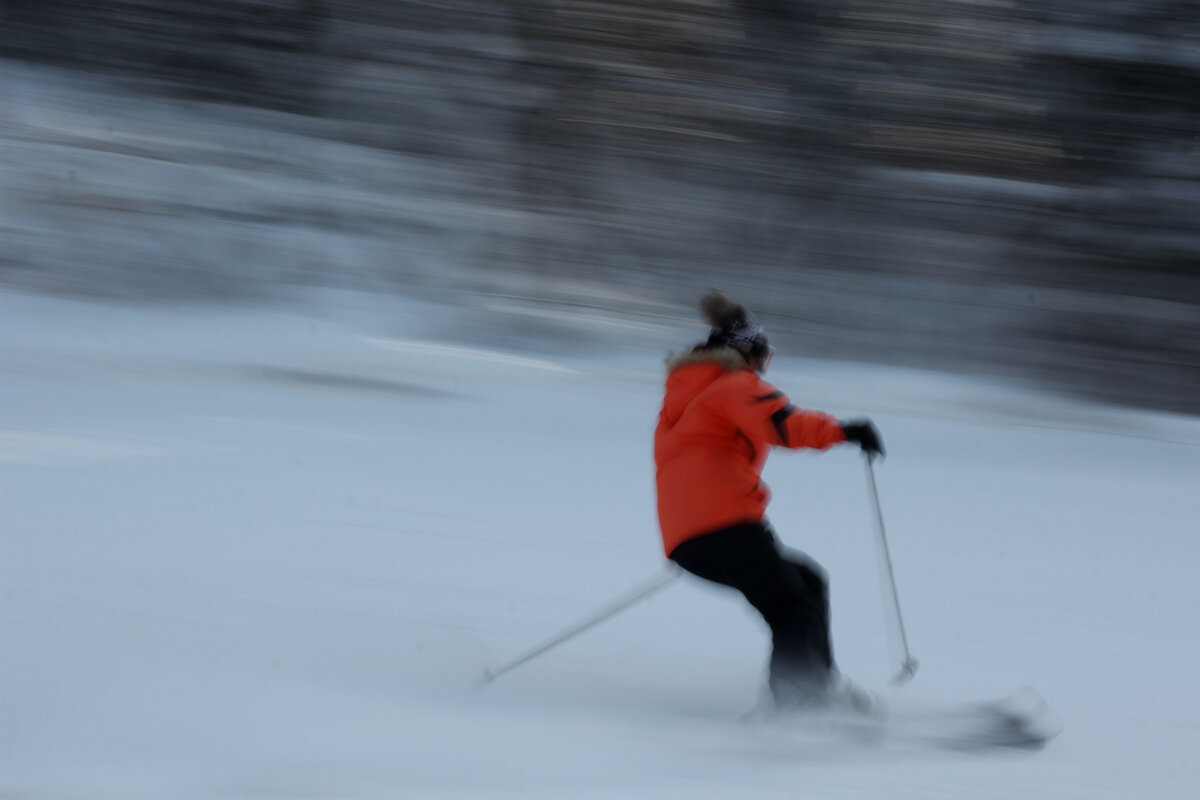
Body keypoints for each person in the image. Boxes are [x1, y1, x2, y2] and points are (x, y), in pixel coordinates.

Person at [654, 290, 884, 710]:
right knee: (792, 602)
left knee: (806, 582)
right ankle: (799, 701)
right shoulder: (731, 385)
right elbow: (783, 425)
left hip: (690, 537)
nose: (764, 367)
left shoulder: (686, 395)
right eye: (764, 355)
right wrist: (847, 431)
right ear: (746, 351)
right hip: (726, 527)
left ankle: (815, 685)